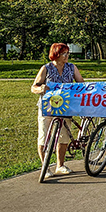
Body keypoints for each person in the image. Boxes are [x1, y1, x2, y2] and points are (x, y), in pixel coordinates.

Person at [31, 43, 84, 178]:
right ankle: (45, 167)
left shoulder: (71, 67)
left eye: (68, 53)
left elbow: (81, 83)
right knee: (44, 136)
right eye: (64, 53)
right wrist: (41, 89)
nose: (67, 56)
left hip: (65, 106)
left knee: (64, 136)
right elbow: (34, 87)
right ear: (56, 54)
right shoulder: (46, 68)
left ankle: (60, 165)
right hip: (48, 107)